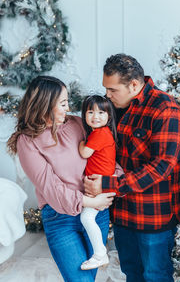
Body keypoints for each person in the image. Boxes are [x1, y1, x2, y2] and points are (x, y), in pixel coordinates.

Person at [84, 53, 180, 282]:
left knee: (155, 275)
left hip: (154, 218)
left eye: (112, 90)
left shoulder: (165, 109)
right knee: (131, 273)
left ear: (133, 85)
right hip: (123, 215)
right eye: (106, 89)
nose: (107, 95)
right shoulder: (110, 109)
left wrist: (108, 184)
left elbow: (162, 167)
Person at [7, 76, 116, 282]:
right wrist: (90, 201)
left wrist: (107, 187)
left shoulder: (77, 124)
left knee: (89, 278)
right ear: (46, 105)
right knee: (80, 280)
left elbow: (108, 158)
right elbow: (50, 186)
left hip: (96, 213)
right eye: (63, 103)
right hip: (60, 218)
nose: (68, 108)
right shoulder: (27, 141)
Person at [79, 95, 117, 270]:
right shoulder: (99, 133)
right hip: (101, 184)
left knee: (86, 217)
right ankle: (100, 253)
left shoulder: (100, 134)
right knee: (88, 217)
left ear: (109, 116)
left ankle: (100, 254)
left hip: (101, 186)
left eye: (101, 112)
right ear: (84, 115)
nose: (96, 116)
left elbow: (85, 153)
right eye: (90, 111)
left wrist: (80, 143)